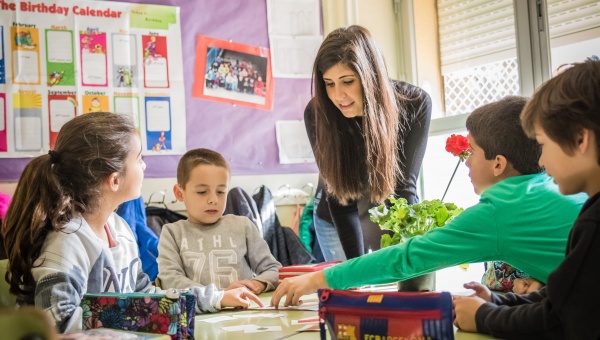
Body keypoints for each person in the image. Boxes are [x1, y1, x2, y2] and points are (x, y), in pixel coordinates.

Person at [271, 95, 587, 307]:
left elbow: (408, 257)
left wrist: (320, 277)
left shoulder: (499, 211)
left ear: (498, 164)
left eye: (472, 151)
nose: (465, 162)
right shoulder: (551, 185)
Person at [1, 112, 262, 333]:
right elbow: (56, 324)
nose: (145, 167)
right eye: (139, 159)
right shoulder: (67, 242)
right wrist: (146, 317)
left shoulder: (119, 229)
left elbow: (145, 296)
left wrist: (216, 297)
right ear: (114, 180)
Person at [453, 58, 600, 339]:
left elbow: (560, 322)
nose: (541, 160)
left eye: (544, 144)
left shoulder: (594, 222)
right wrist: (497, 303)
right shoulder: (590, 210)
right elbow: (563, 302)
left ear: (580, 140)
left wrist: (485, 317)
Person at [305, 25, 432, 261]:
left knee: (394, 282)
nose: (338, 96)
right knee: (352, 290)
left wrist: (406, 257)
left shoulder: (414, 103)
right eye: (329, 84)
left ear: (370, 75)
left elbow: (404, 188)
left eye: (347, 81)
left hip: (388, 210)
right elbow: (340, 199)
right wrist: (358, 269)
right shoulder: (317, 113)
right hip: (337, 218)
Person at [157, 148, 281, 296]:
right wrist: (219, 296)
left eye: (221, 192)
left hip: (246, 314)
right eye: (202, 192)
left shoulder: (243, 226)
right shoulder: (172, 233)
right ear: (179, 193)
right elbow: (170, 281)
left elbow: (272, 270)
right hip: (200, 317)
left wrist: (256, 284)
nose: (213, 200)